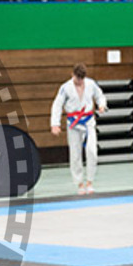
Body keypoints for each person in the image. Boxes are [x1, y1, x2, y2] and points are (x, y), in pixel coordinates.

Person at [51, 63, 107, 195]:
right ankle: (80, 183)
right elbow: (57, 105)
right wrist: (55, 124)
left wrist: (102, 105)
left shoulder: (91, 84)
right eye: (77, 78)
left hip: (88, 122)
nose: (79, 81)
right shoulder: (65, 88)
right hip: (74, 124)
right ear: (73, 75)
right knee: (75, 154)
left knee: (92, 151)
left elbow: (100, 95)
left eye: (81, 79)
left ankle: (90, 182)